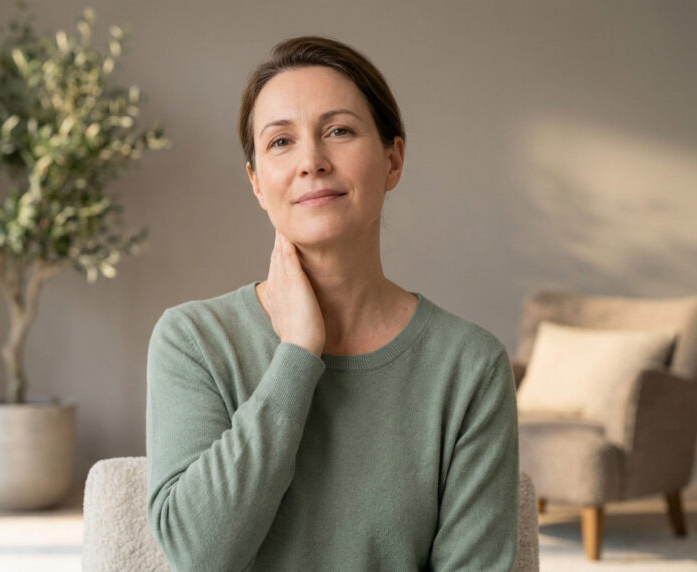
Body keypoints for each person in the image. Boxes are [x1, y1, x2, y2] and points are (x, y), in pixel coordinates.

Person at [146, 36, 519, 571]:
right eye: (280, 142)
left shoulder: (470, 366)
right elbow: (199, 554)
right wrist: (297, 355)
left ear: (393, 160)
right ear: (256, 182)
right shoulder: (193, 341)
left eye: (338, 131)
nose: (312, 162)